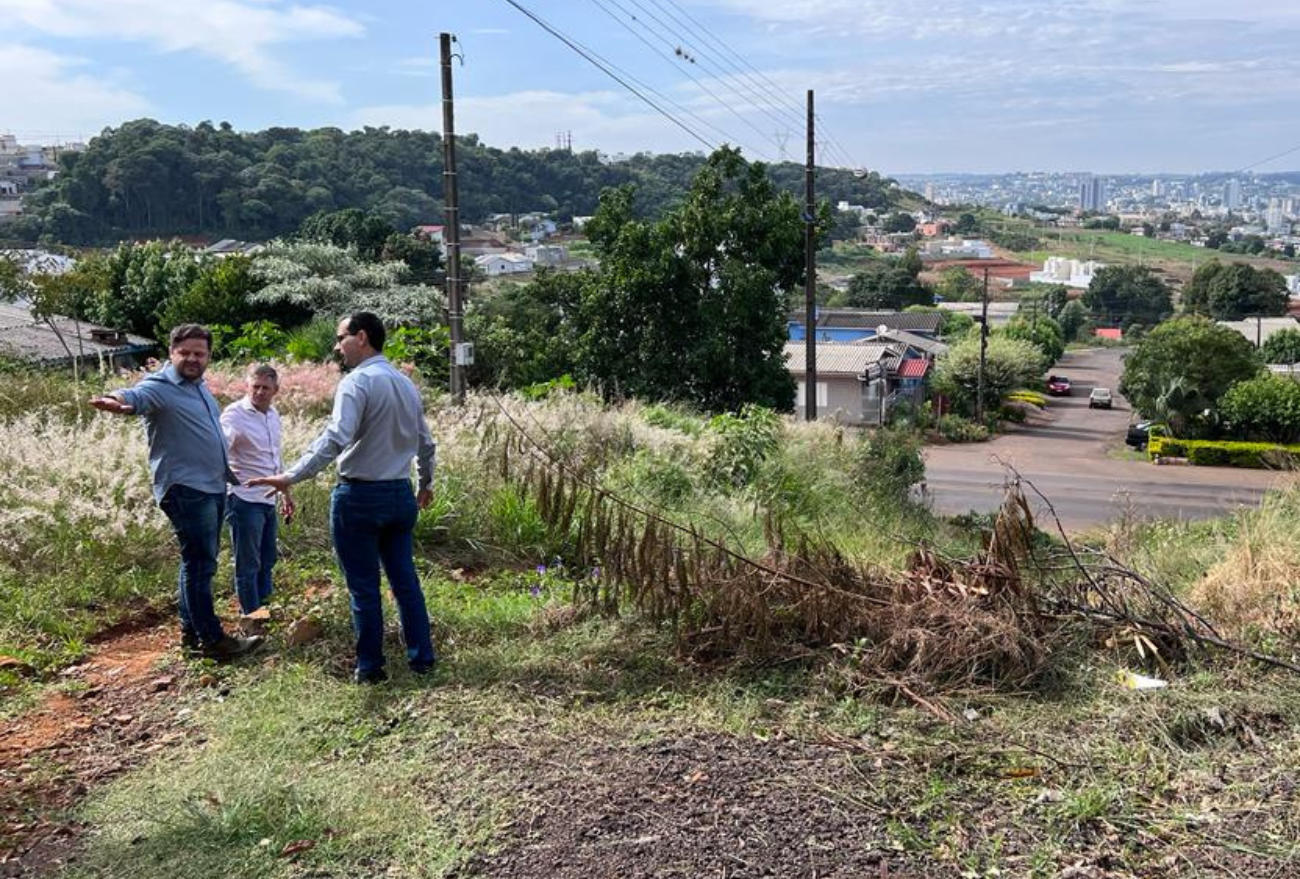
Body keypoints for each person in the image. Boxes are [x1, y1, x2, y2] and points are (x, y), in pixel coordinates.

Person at [250, 312, 437, 684]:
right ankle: (422, 660)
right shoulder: (405, 384)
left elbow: (336, 438)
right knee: (406, 583)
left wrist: (291, 476)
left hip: (360, 497)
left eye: (341, 338)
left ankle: (370, 669)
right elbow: (426, 443)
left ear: (362, 337)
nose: (337, 347)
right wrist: (425, 483)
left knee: (364, 588)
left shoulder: (357, 383)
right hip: (400, 494)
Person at [90, 324, 262, 659]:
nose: (193, 359)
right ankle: (212, 641)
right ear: (172, 354)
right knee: (201, 565)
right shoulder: (161, 385)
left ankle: (192, 635)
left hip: (211, 485)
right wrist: (118, 400)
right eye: (185, 353)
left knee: (196, 563)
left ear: (209, 356)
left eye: (200, 353)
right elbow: (134, 397)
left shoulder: (200, 388)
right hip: (186, 488)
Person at [221, 363, 294, 616]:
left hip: (268, 499)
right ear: (247, 386)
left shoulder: (273, 415)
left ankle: (266, 610)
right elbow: (222, 447)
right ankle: (251, 618)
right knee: (248, 564)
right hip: (243, 499)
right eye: (255, 387)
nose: (260, 392)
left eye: (266, 388)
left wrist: (286, 492)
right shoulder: (233, 415)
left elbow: (275, 458)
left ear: (276, 389)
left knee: (267, 560)